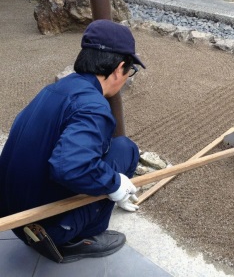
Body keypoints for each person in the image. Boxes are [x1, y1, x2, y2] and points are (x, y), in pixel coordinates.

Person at [0, 19, 145, 263]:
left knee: (105, 151)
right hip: (45, 230)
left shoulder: (55, 89)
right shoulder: (92, 106)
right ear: (120, 68)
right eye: (130, 71)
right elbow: (69, 165)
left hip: (13, 218)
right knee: (125, 149)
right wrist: (115, 184)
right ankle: (79, 238)